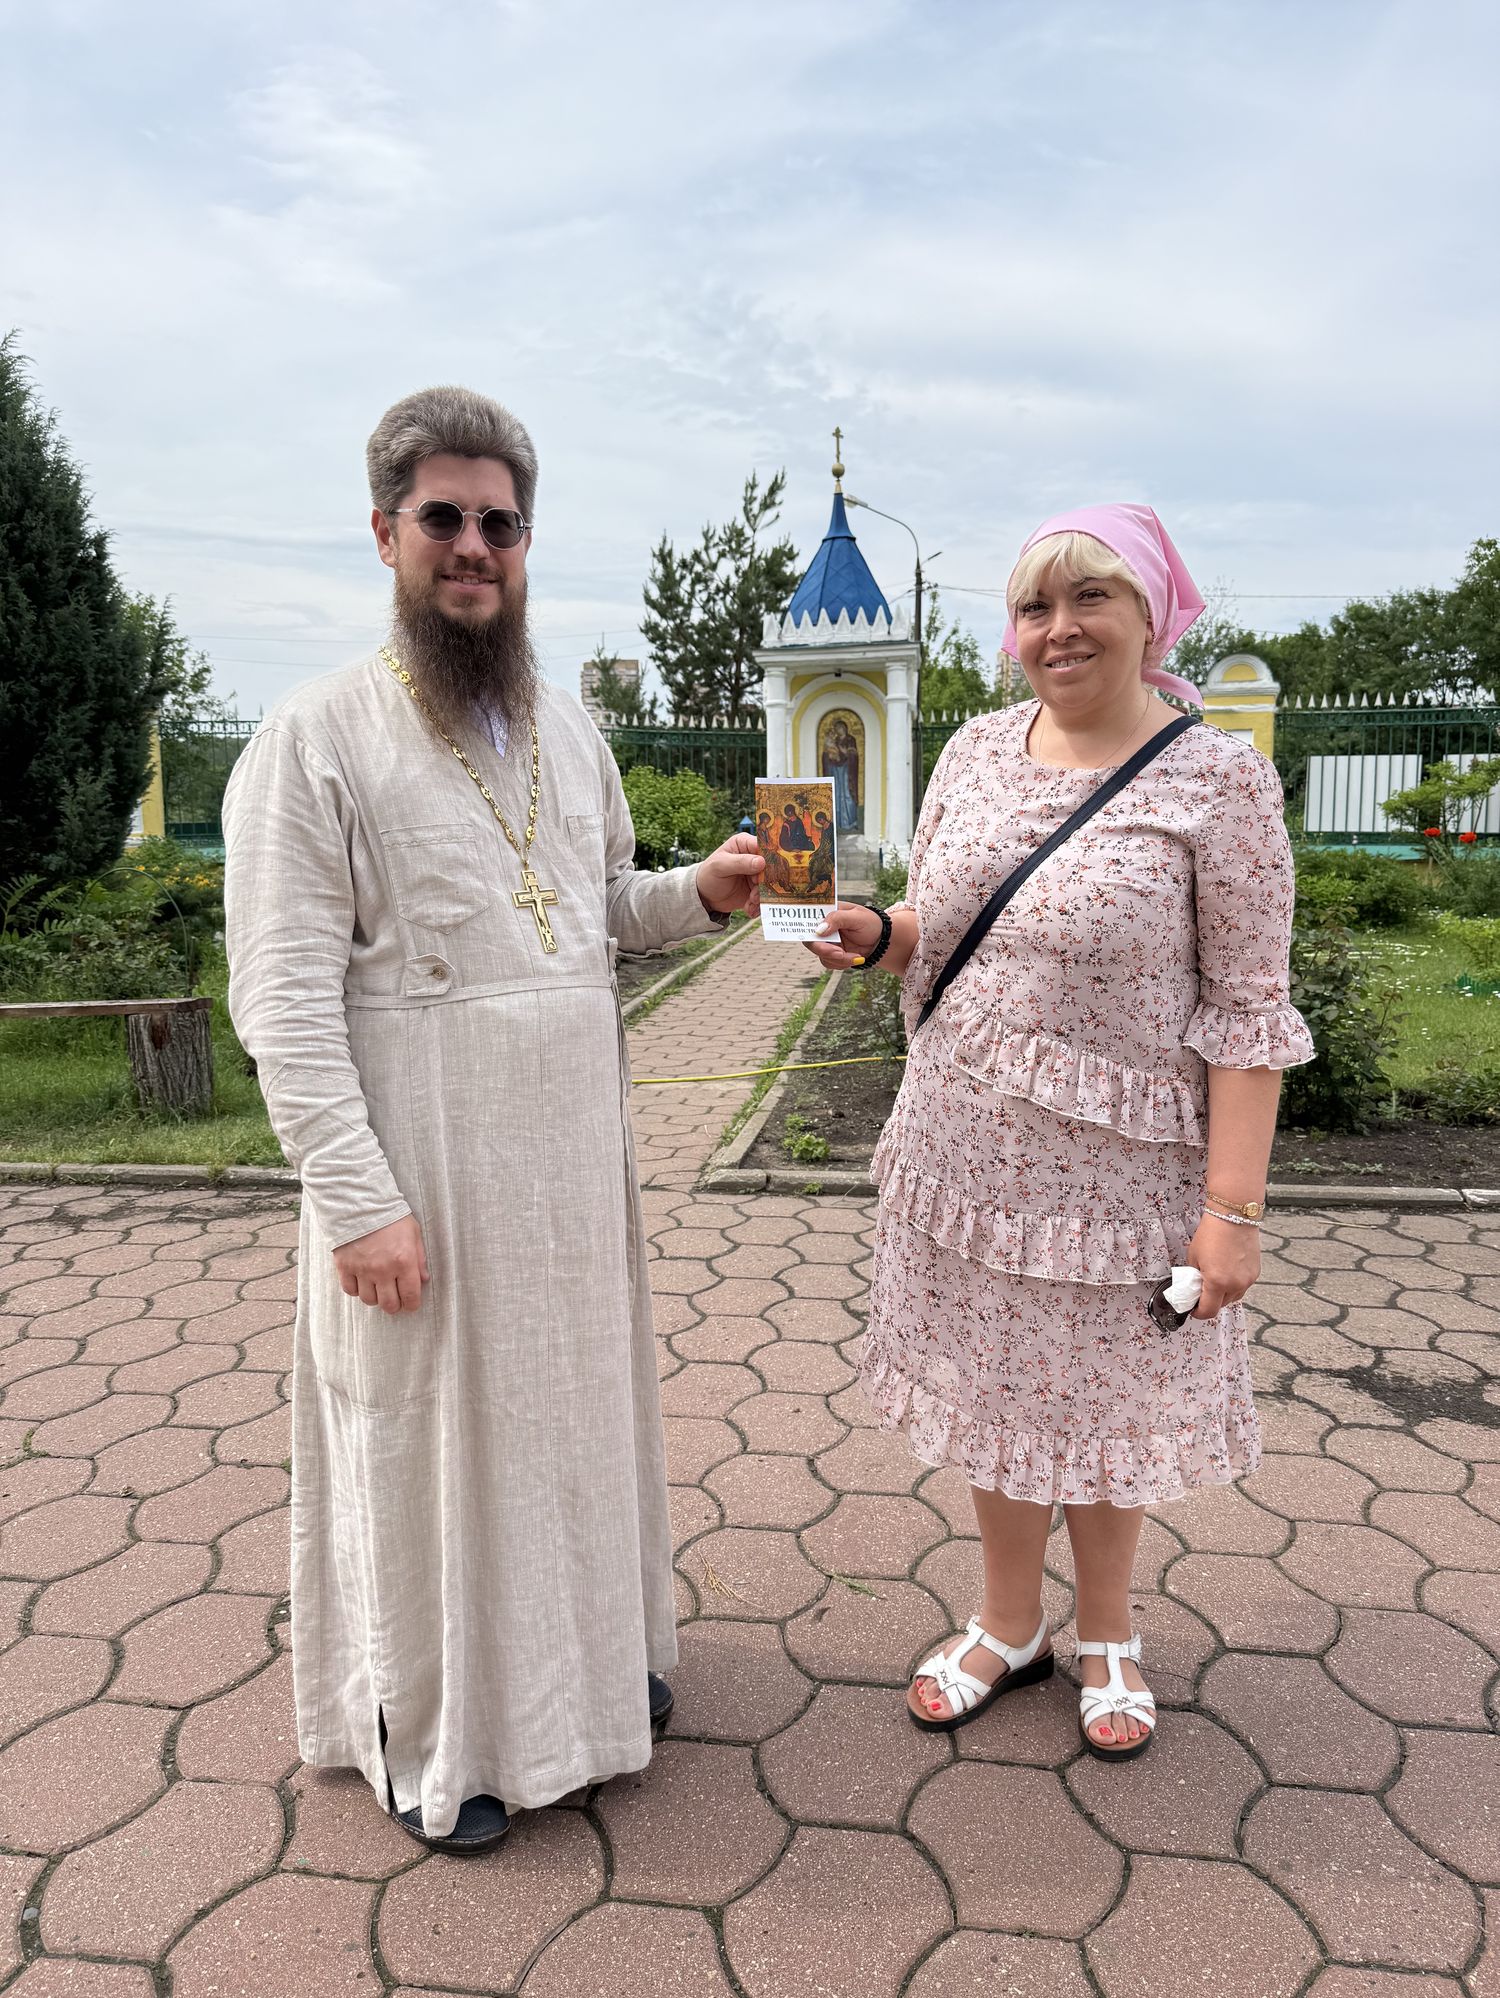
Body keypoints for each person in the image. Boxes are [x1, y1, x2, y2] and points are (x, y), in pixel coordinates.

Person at [222, 385, 764, 1854]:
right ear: (385, 532)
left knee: (571, 1435)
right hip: (426, 1184)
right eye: (445, 518)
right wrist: (358, 1201)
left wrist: (699, 894)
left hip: (567, 1181)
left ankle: (588, 1678)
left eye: (501, 523)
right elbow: (281, 1001)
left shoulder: (564, 724)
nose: (475, 546)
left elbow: (592, 913)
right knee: (435, 1459)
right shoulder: (314, 736)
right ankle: (443, 1741)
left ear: (527, 542)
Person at [808, 504, 1312, 1758]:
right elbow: (940, 924)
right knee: (994, 1390)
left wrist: (1232, 1212)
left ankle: (1107, 1631)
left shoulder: (1217, 780)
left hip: (1121, 1181)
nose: (1060, 627)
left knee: (1107, 1404)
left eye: (1092, 596)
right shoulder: (975, 751)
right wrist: (880, 935)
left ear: (1153, 614)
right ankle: (1007, 1620)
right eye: (1035, 605)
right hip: (966, 1160)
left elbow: (1250, 1011)